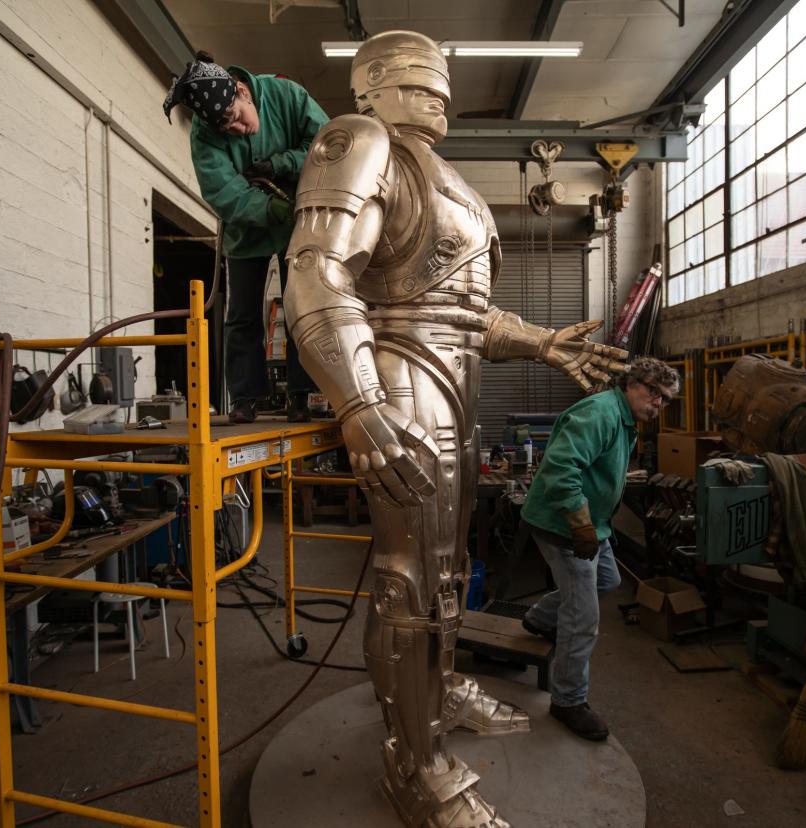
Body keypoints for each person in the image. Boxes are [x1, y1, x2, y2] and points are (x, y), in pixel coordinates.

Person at [282, 30, 629, 827]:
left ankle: (431, 696)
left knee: (446, 571)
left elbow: (465, 313)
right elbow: (315, 270)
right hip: (401, 379)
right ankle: (416, 763)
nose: (435, 90)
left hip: (456, 388)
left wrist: (538, 340)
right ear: (369, 87)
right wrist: (360, 400)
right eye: (412, 78)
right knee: (410, 574)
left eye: (440, 80)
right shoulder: (359, 141)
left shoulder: (453, 181)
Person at [520, 356, 680, 741]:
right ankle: (568, 701)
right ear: (631, 384)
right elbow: (561, 470)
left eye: (666, 398)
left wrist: (594, 525)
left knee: (606, 580)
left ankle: (540, 619)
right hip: (562, 525)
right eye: (653, 392)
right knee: (583, 617)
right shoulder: (602, 413)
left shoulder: (625, 420)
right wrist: (580, 525)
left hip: (595, 525)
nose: (658, 402)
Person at [163, 51, 328, 422]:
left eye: (236, 117)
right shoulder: (206, 135)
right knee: (241, 314)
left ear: (243, 91)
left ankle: (301, 395)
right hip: (246, 228)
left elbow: (328, 144)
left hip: (298, 220)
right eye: (226, 128)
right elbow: (225, 192)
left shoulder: (288, 95)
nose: (236, 129)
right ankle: (245, 398)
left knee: (302, 307)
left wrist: (282, 163)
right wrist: (269, 209)